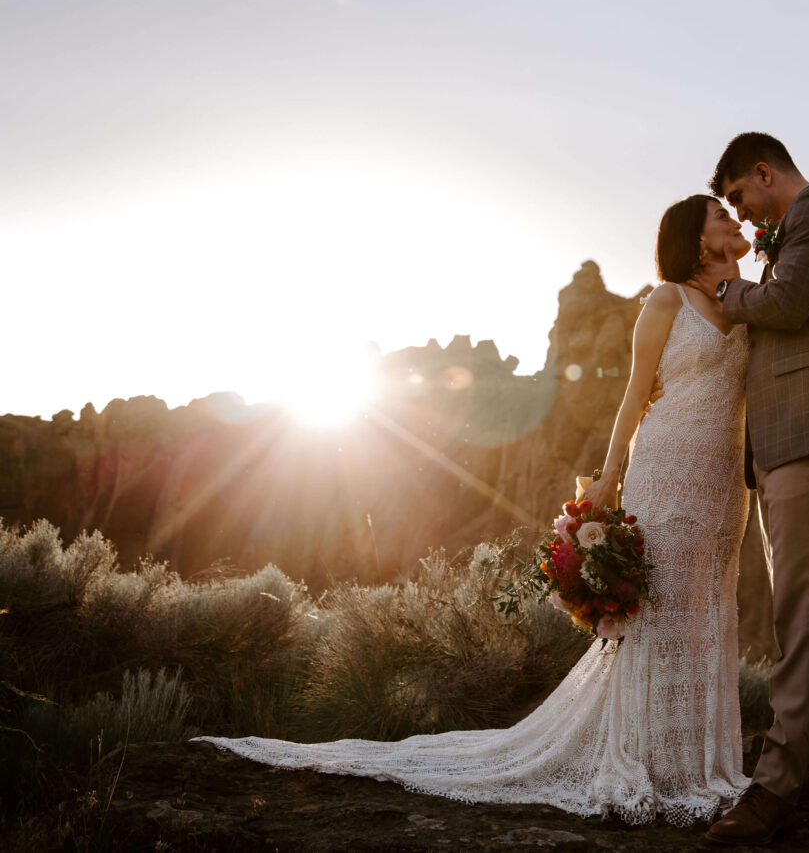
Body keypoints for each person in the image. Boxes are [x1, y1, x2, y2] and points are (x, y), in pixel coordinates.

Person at [193, 194, 756, 828]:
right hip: (669, 469)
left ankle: (700, 762)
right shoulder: (666, 301)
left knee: (707, 608)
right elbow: (632, 399)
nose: (730, 218)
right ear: (692, 235)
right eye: (718, 213)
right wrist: (608, 477)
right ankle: (650, 761)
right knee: (661, 611)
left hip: (724, 482)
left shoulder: (749, 298)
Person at [687, 133, 809, 846]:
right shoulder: (800, 226)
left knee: (798, 616)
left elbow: (791, 301)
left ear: (763, 173)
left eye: (739, 196)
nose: (740, 212)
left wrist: (725, 290)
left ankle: (774, 787)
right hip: (788, 443)